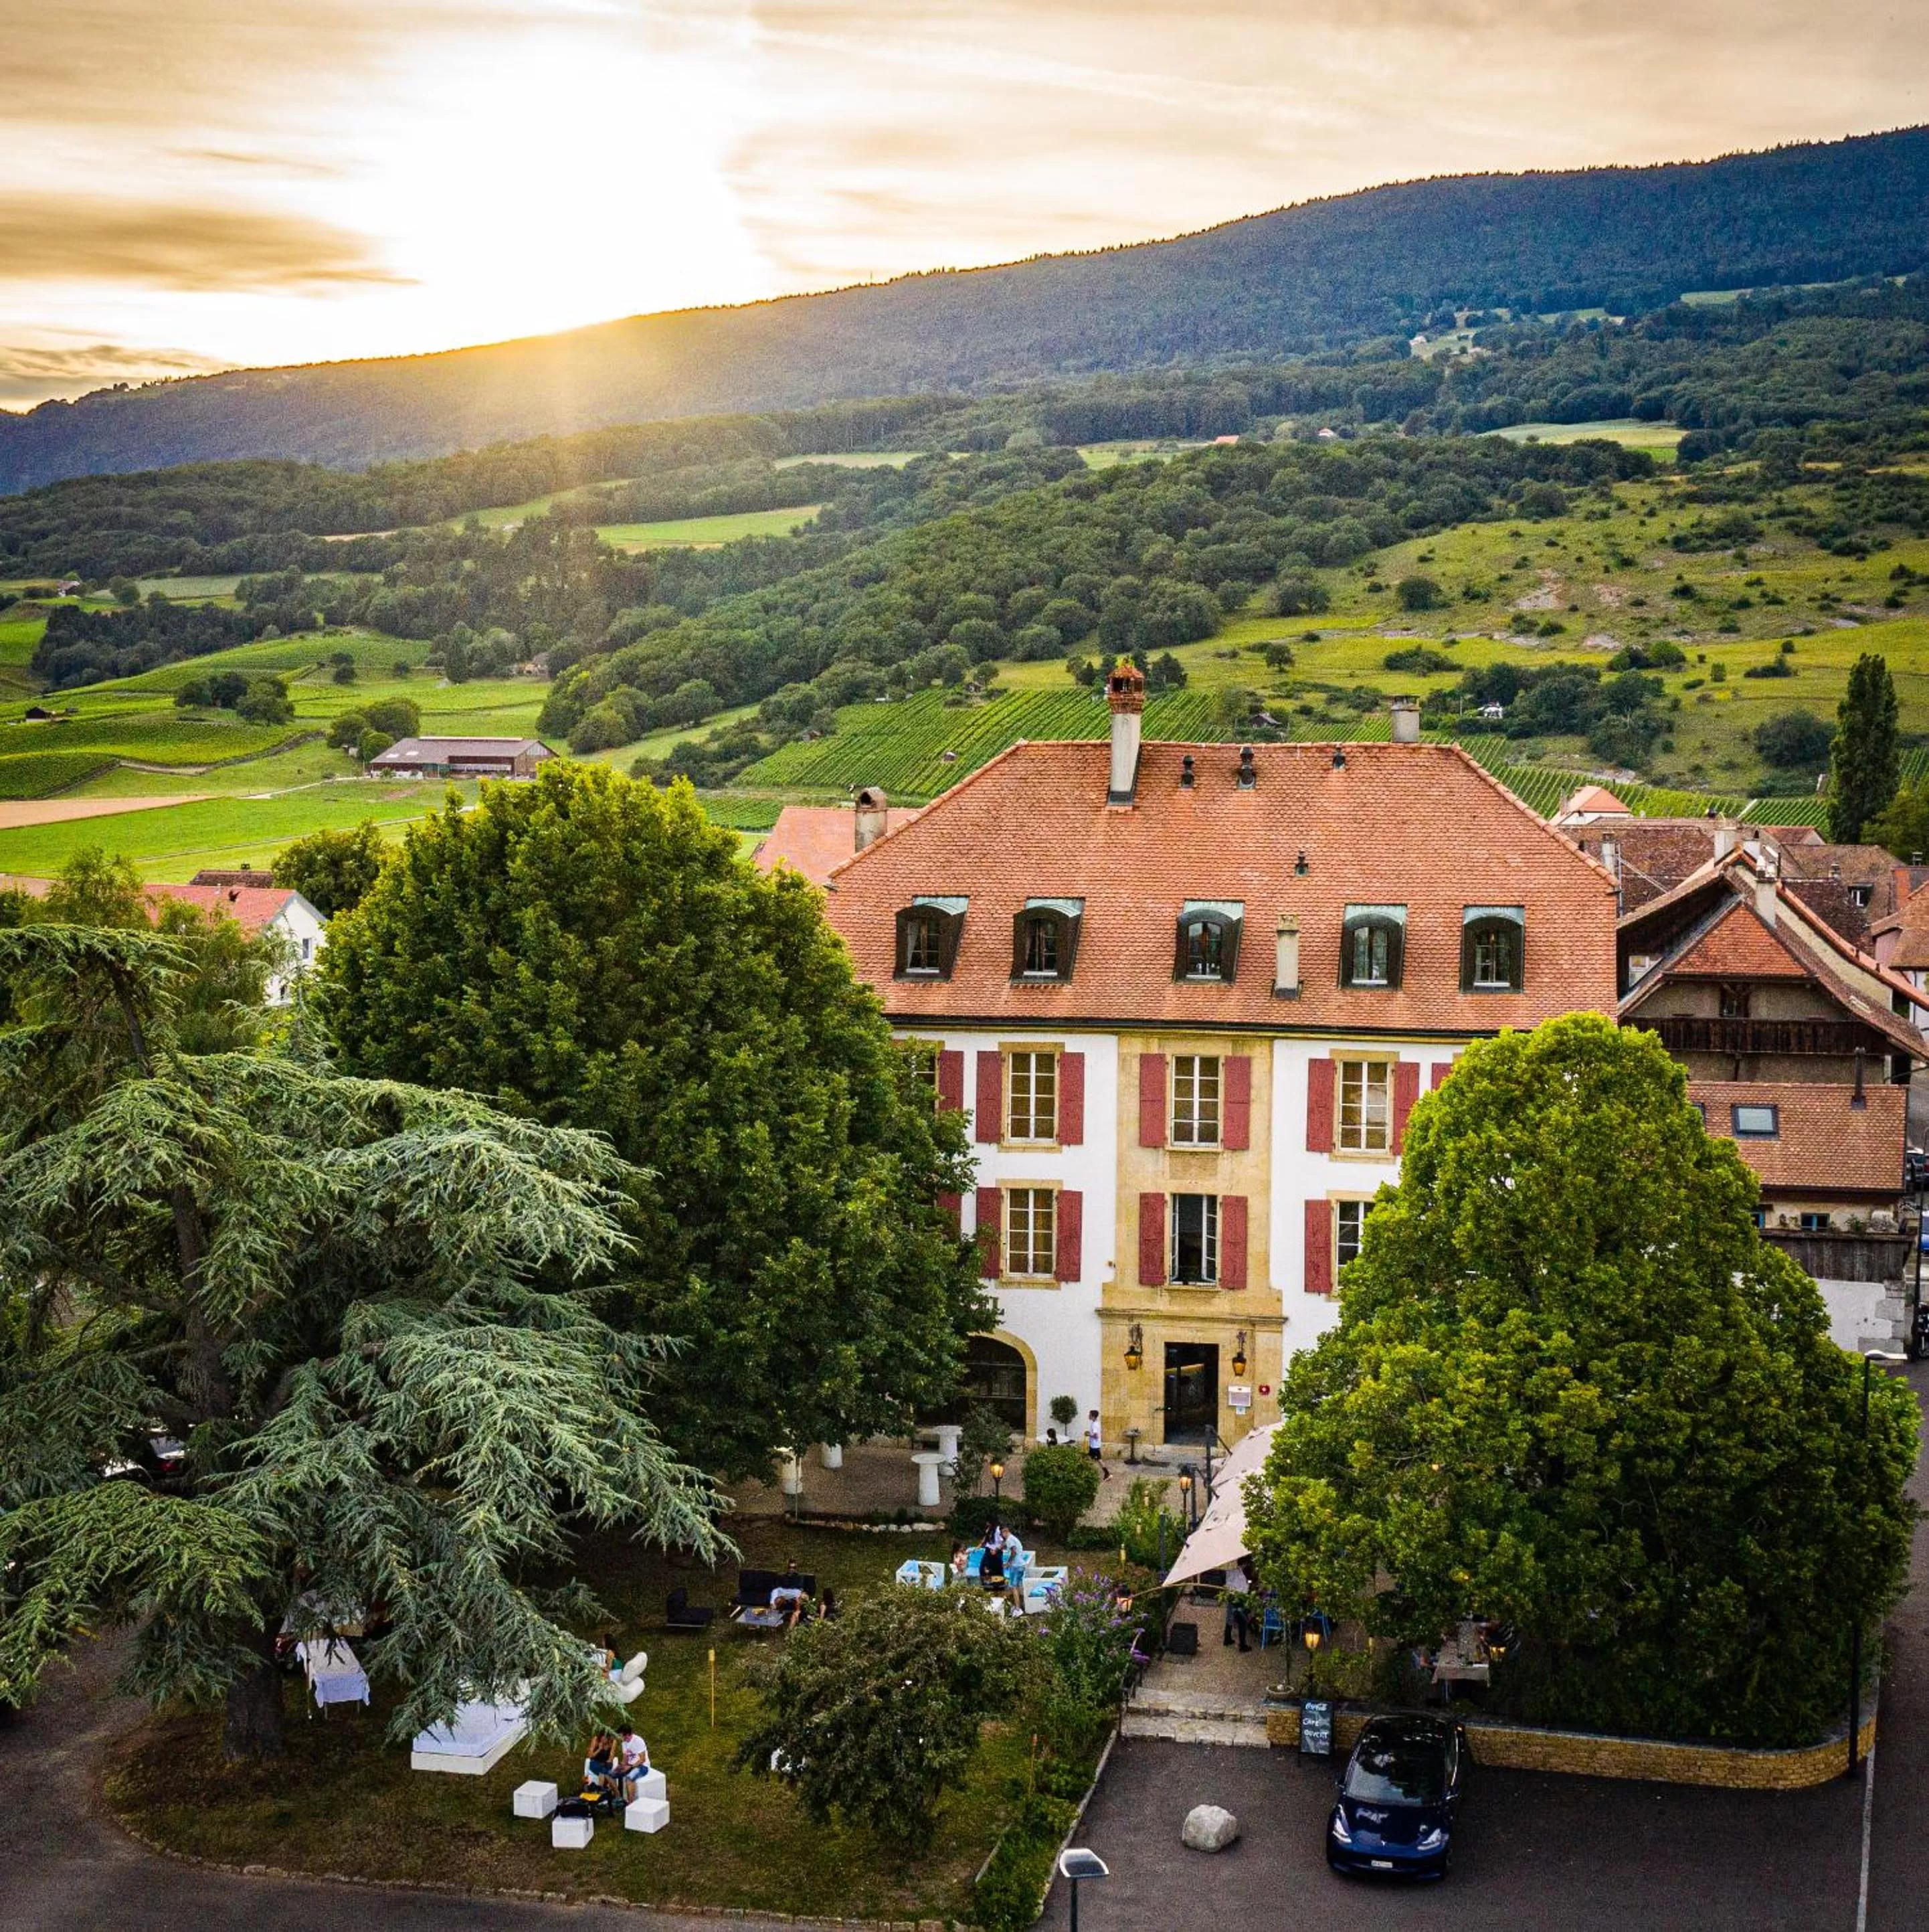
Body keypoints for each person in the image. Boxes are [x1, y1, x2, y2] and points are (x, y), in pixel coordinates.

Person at [1222, 1557, 1253, 1652]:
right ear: (1244, 1564)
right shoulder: (1242, 1575)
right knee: (1243, 1622)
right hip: (1240, 1599)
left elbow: (1228, 1584)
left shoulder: (1230, 1572)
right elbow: (1245, 1589)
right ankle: (1242, 1646)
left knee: (1230, 1618)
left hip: (1231, 1597)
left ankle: (1227, 1639)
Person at [769, 1558, 808, 1626]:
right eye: (790, 1567)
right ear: (787, 1568)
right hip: (784, 1594)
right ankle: (773, 1611)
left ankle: (798, 1618)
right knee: (776, 1593)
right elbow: (778, 1589)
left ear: (796, 1568)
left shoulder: (799, 1577)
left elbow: (799, 1590)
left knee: (799, 1595)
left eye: (794, 1567)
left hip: (794, 1594)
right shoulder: (783, 1577)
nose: (792, 1569)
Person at [617, 1724, 650, 1801]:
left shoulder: (638, 1741)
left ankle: (631, 1803)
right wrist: (620, 1767)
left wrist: (630, 1767)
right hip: (630, 1765)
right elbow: (625, 1759)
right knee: (612, 1774)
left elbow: (642, 1759)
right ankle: (618, 1798)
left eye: (621, 1735)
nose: (620, 1737)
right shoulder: (624, 1743)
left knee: (629, 1779)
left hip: (642, 1766)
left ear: (627, 1735)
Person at [1086, 1409, 1109, 1481]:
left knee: (1099, 1460)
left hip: (1095, 1446)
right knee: (1090, 1458)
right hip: (1093, 1445)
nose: (1088, 1416)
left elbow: (1096, 1436)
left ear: (1093, 1416)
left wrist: (1089, 1434)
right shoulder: (1095, 1422)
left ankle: (1107, 1474)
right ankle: (1088, 1473)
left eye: (1090, 1415)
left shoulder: (1095, 1425)